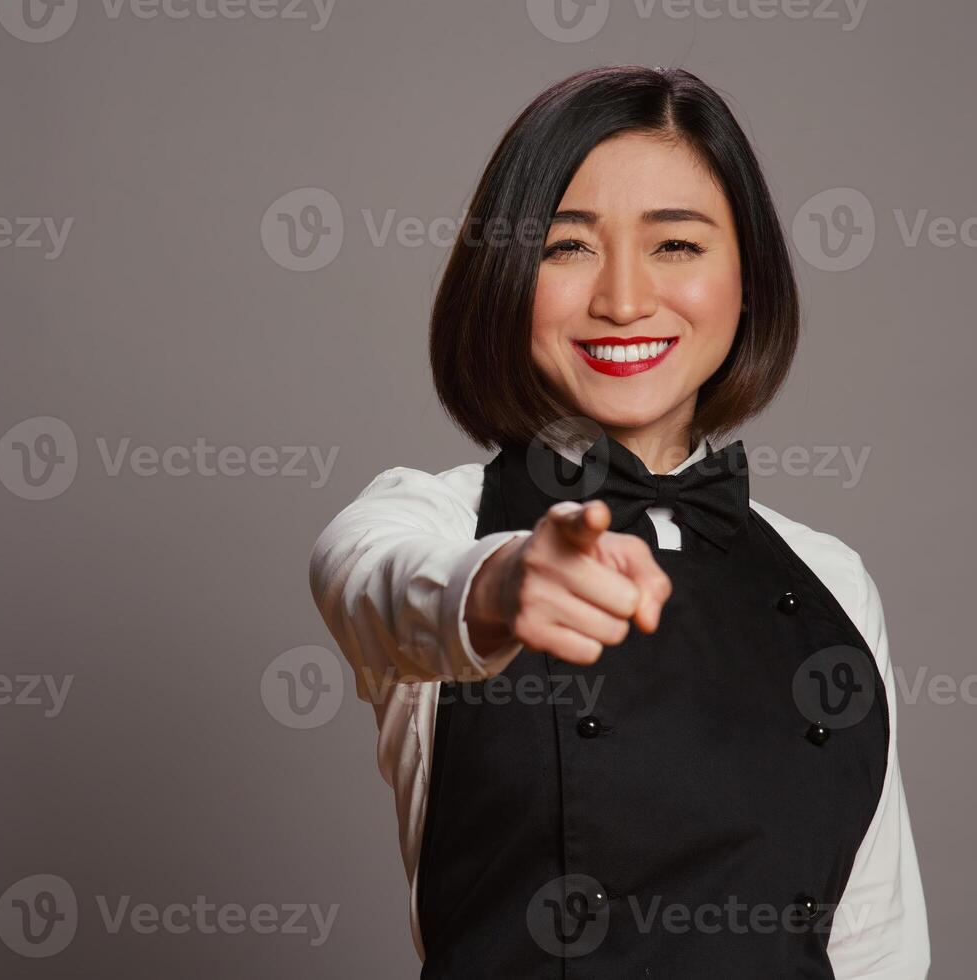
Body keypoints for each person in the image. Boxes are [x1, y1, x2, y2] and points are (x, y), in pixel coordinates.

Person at [309, 65, 928, 978]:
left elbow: (876, 942)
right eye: (567, 247)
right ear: (505, 276)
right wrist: (506, 582)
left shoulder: (831, 576)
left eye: (676, 246)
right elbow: (368, 580)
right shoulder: (431, 519)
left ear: (747, 278)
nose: (624, 299)